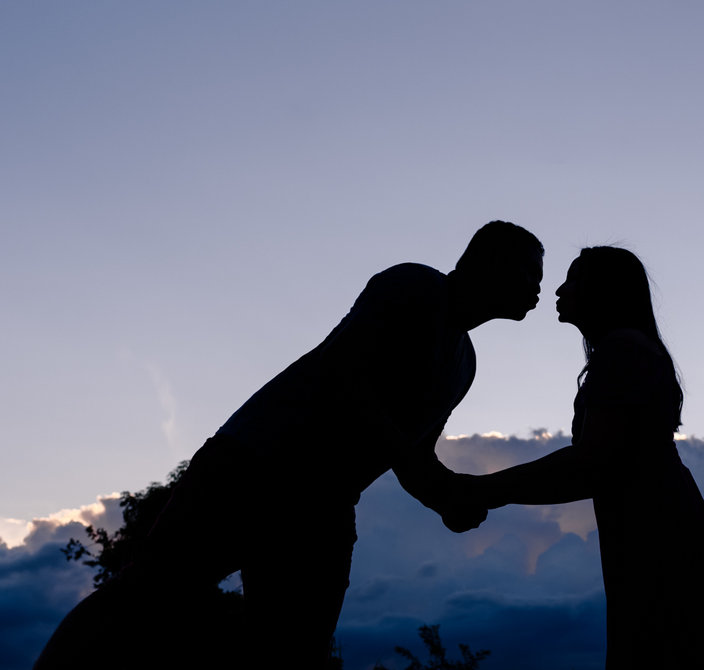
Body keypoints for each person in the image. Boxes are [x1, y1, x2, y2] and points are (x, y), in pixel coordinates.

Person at [35, 221, 544, 670]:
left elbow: (414, 455)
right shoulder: (416, 284)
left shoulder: (465, 365)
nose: (537, 288)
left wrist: (446, 497)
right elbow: (341, 369)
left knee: (292, 654)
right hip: (254, 465)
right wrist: (427, 477)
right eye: (528, 272)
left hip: (324, 509)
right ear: (486, 259)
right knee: (142, 599)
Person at [462, 246, 704, 670]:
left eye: (574, 278)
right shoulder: (626, 348)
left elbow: (588, 461)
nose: (560, 289)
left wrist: (480, 489)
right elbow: (591, 474)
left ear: (603, 290)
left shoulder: (623, 348)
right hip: (650, 516)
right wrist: (488, 493)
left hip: (655, 522)